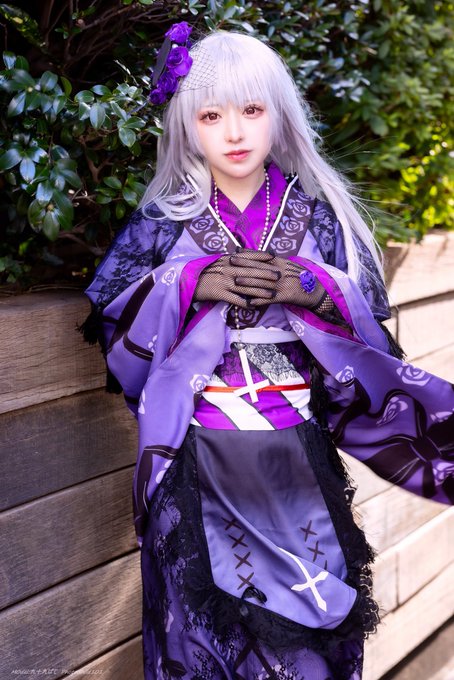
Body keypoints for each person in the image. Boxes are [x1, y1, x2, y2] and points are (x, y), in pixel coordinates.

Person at [81, 26, 454, 680]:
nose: (234, 132)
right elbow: (112, 329)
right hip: (196, 456)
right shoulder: (162, 221)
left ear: (279, 113)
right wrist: (186, 282)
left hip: (294, 459)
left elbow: (372, 334)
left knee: (308, 642)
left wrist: (315, 288)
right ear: (184, 123)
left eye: (251, 110)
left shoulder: (320, 215)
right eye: (211, 115)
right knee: (203, 635)